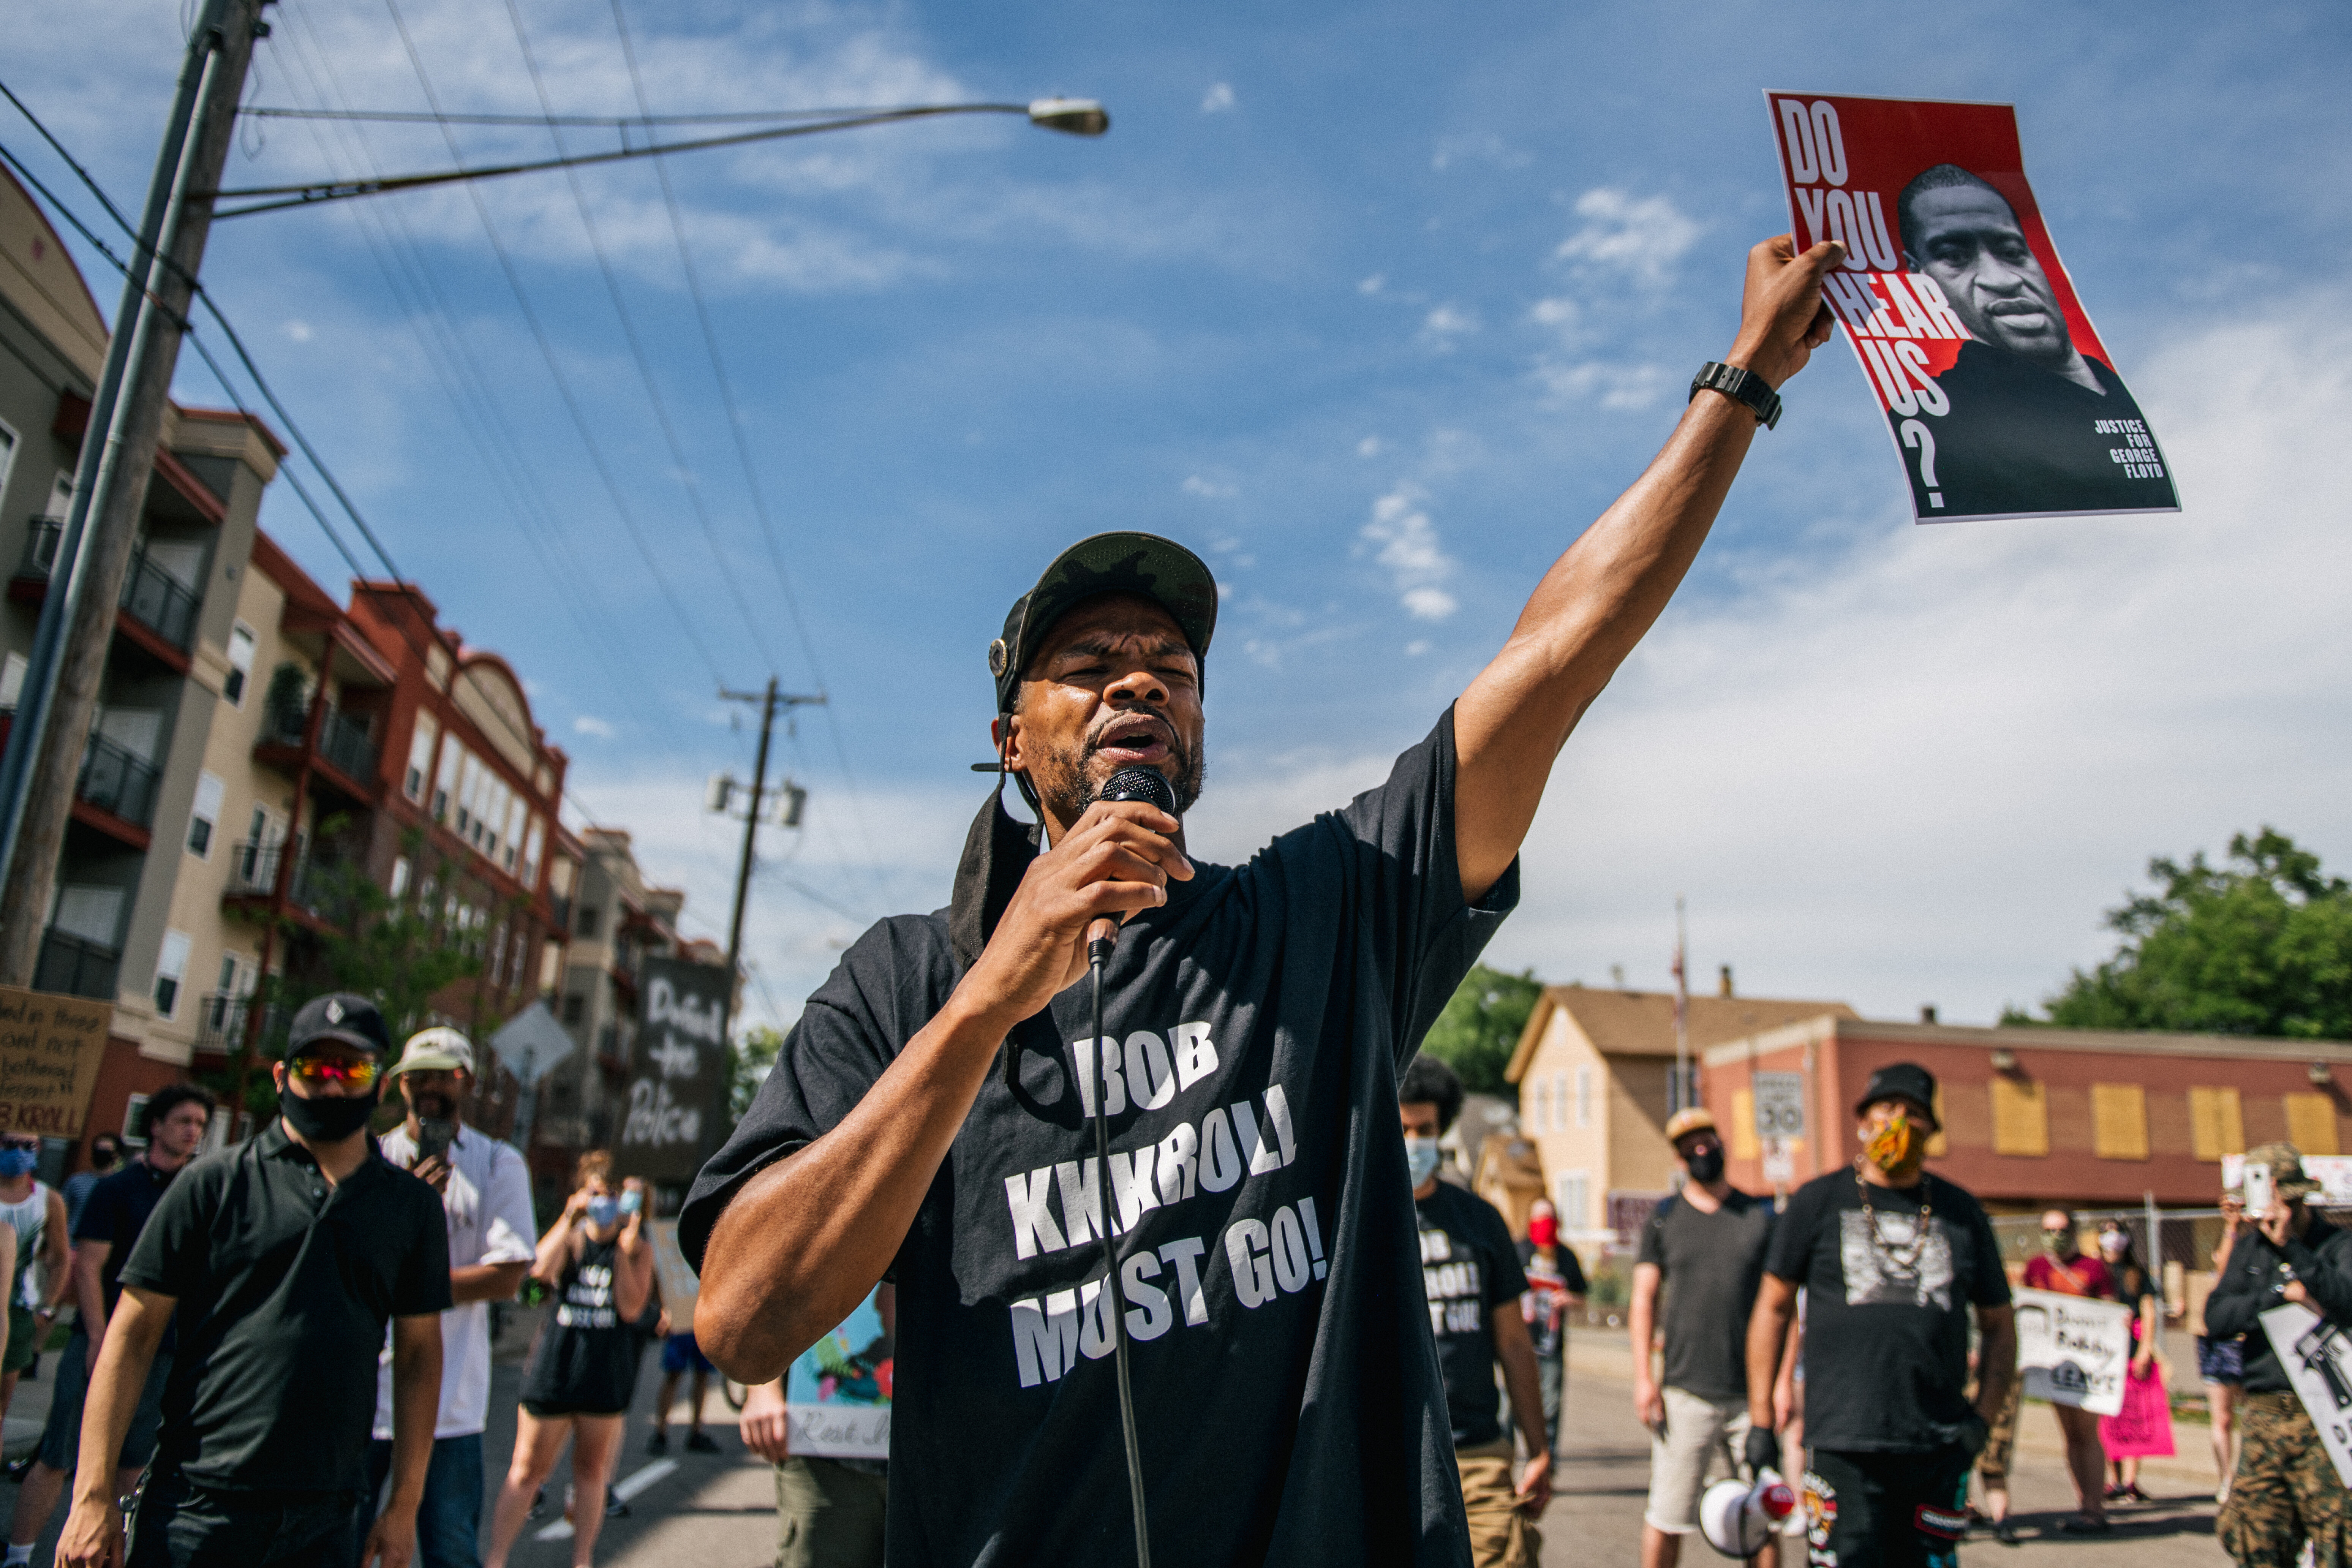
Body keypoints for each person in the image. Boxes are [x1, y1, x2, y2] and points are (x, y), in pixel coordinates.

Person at [683, 229, 1849, 1566]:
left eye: (1170, 665)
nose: (1139, 680)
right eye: (1087, 664)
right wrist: (993, 994)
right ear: (1011, 737)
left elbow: (1555, 654)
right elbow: (744, 1316)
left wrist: (1743, 378)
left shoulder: (1328, 911)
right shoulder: (901, 980)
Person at [57, 993, 451, 1568]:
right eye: (316, 1069)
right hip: (197, 1506)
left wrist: (404, 1505)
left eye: (353, 1069)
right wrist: (92, 1497)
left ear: (381, 1086)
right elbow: (132, 1336)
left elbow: (420, 1358)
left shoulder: (411, 1208)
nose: (334, 1086)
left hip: (329, 1514)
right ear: (282, 1076)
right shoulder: (210, 1185)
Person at [1745, 1064, 2016, 1568]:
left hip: (1938, 1446)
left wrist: (1980, 1422)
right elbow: (1772, 1308)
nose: (1899, 1122)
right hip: (1842, 1443)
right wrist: (1762, 1421)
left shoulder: (1961, 1212)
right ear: (1861, 1124)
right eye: (1886, 1110)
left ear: (1932, 1130)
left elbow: (2000, 1324)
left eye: (1913, 1113)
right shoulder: (1818, 1202)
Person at [1892, 163, 2175, 518]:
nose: (2002, 280)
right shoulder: (1946, 418)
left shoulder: (2124, 385)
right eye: (1954, 257)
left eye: (2011, 251)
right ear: (1919, 276)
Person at [355, 1027, 540, 1568]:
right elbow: (352, 1270)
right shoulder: (373, 1159)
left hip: (450, 1403)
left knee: (450, 1549)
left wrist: (411, 1286)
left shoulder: (495, 1163)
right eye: (418, 1078)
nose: (429, 1088)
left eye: (443, 1075)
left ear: (467, 1082)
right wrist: (406, 1214)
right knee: (342, 1544)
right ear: (400, 1086)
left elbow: (507, 1275)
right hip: (364, 1399)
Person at [6, 1085, 212, 1566]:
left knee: (134, 1465)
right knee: (59, 1455)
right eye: (183, 1120)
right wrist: (99, 1338)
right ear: (156, 1126)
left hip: (166, 1350)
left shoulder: (201, 1192)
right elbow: (88, 1267)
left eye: (200, 1125)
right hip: (102, 1344)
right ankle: (18, 1555)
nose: (192, 1132)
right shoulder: (116, 1190)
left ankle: (116, 1555)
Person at [1402, 1054, 1551, 1567]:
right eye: (1401, 1127)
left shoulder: (1479, 1222)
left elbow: (1513, 1342)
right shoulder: (1359, 1220)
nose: (1413, 1141)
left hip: (1476, 1454)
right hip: (1388, 1454)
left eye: (1423, 1129)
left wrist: (1538, 1445)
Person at [481, 1154, 652, 1568]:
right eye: (595, 1192)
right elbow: (534, 1280)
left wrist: (626, 1246)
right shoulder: (571, 1240)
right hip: (556, 1369)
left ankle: (582, 1559)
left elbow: (631, 1309)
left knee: (592, 1472)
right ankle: (496, 1559)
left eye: (612, 1193)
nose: (604, 1201)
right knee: (526, 1470)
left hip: (604, 1374)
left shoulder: (636, 1248)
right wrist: (567, 1220)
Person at [1630, 1107, 1783, 1568]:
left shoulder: (1759, 1216)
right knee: (1668, 1515)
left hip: (1751, 1398)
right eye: (1689, 1146)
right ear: (1679, 1159)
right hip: (1684, 1392)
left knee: (1761, 1521)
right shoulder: (1664, 1219)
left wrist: (1779, 1389)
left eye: (1707, 1141)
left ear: (1722, 1144)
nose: (1701, 1151)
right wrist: (1643, 1378)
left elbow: (1784, 1307)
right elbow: (1643, 1300)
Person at [2205, 1143, 2352, 1567]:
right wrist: (2275, 1297)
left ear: (2295, 1197)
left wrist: (2295, 1252)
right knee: (2253, 1535)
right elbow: (2216, 1317)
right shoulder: (2250, 1251)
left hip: (2323, 1417)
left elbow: (2346, 1300)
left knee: (2338, 1538)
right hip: (2266, 1415)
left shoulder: (2336, 1245)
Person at [738, 1285, 896, 1568]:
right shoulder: (849, 1368)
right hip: (823, 1454)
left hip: (945, 1450)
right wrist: (762, 1385)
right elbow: (767, 1274)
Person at [2019, 1208, 2114, 1532]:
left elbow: (2110, 1311)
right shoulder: (2036, 1267)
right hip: (2053, 1366)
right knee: (2070, 1435)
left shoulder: (2093, 1268)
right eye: (2048, 1229)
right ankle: (2082, 1500)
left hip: (2088, 1366)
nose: (2054, 1235)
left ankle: (2095, 1507)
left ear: (2072, 1232)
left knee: (2088, 1434)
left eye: (2060, 1229)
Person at [2096, 1222, 2171, 1500]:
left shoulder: (2136, 1274)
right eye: (2106, 1232)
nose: (2112, 1239)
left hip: (2132, 1354)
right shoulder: (2095, 1271)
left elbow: (2149, 1312)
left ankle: (2130, 1481)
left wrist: (2145, 1350)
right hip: (2103, 1357)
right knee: (2107, 1421)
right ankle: (2112, 1480)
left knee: (2133, 1419)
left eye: (2117, 1232)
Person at [0, 1132, 69, 1421]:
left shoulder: (48, 1199)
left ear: (39, 1149)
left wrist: (47, 1306)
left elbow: (61, 1258)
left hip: (18, 1307)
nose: (19, 1152)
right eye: (10, 1145)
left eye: (27, 1145)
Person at [1517, 1196, 1586, 1469]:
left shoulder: (1566, 1257)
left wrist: (1570, 1299)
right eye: (1539, 1218)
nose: (1545, 1224)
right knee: (1511, 1409)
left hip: (1551, 1346)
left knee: (1550, 1407)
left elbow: (1582, 1296)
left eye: (1549, 1218)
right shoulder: (1519, 1252)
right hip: (1520, 1344)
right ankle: (1511, 1462)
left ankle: (1548, 1463)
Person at [2202, 1189, 2249, 1506]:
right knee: (2222, 1417)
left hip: (2254, 1339)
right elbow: (2224, 1273)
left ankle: (2252, 1479)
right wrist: (2232, 1226)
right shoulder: (2232, 1242)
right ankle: (2227, 1480)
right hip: (2221, 1342)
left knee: (2257, 1414)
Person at [648, 1317, 721, 1456]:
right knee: (674, 1375)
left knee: (703, 1375)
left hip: (705, 1321)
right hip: (681, 1318)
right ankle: (661, 1433)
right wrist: (666, 1309)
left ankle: (697, 1431)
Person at [63, 1134, 122, 1233]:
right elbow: (62, 1212)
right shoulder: (76, 1181)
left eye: (105, 1152)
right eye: (98, 1151)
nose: (101, 1155)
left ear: (116, 1156)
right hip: (72, 1243)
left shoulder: (120, 1186)